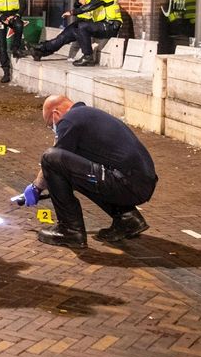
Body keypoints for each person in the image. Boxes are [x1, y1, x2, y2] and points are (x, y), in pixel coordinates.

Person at [17, 95, 157, 248]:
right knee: (75, 171)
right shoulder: (86, 114)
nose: (54, 129)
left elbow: (54, 159)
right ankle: (127, 218)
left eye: (51, 125)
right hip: (139, 182)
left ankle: (70, 229)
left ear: (55, 114)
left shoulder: (69, 121)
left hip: (126, 182)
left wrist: (36, 187)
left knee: (50, 158)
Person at [31, 0, 121, 67]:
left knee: (82, 27)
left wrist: (72, 12)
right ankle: (42, 50)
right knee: (66, 34)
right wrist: (78, 2)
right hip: (99, 25)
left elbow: (91, 6)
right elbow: (81, 4)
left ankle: (88, 57)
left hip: (110, 26)